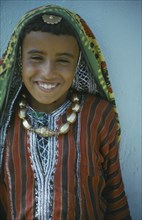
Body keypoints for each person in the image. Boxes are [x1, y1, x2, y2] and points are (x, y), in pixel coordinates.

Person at [0, 4, 131, 220]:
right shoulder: (5, 117)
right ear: (19, 60)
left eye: (63, 60)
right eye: (36, 57)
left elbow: (115, 197)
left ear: (78, 63)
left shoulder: (98, 115)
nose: (48, 72)